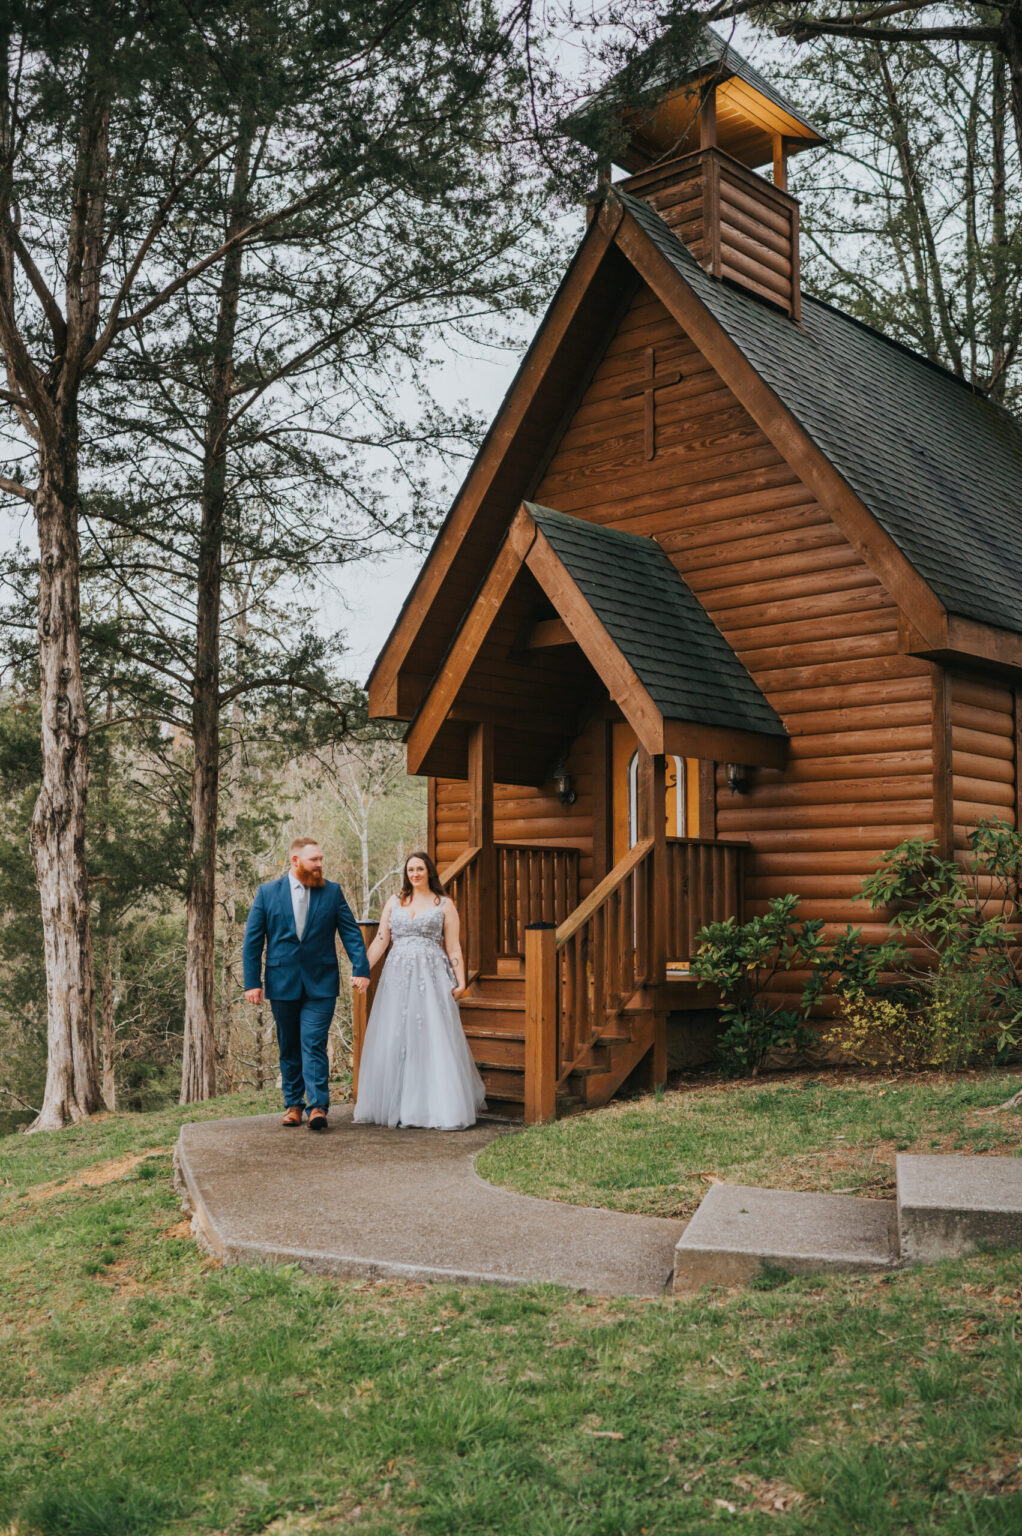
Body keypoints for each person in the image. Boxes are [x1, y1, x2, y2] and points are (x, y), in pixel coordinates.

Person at [243, 837, 370, 1132]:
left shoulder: (332, 892)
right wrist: (252, 982)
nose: (320, 865)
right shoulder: (267, 893)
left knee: (313, 1041)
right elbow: (252, 942)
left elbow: (351, 933)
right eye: (314, 860)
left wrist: (360, 967)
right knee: (289, 1045)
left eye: (321, 859)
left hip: (321, 982)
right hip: (282, 982)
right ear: (295, 861)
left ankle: (317, 1107)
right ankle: (293, 1104)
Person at [354, 850, 486, 1131]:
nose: (415, 874)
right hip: (397, 978)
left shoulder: (444, 904)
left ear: (429, 872)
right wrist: (362, 969)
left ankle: (434, 1107)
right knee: (396, 1035)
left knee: (431, 1035)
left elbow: (453, 946)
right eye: (411, 870)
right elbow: (380, 939)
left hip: (431, 977)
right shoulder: (395, 901)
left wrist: (461, 981)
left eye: (420, 869)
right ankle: (396, 1104)